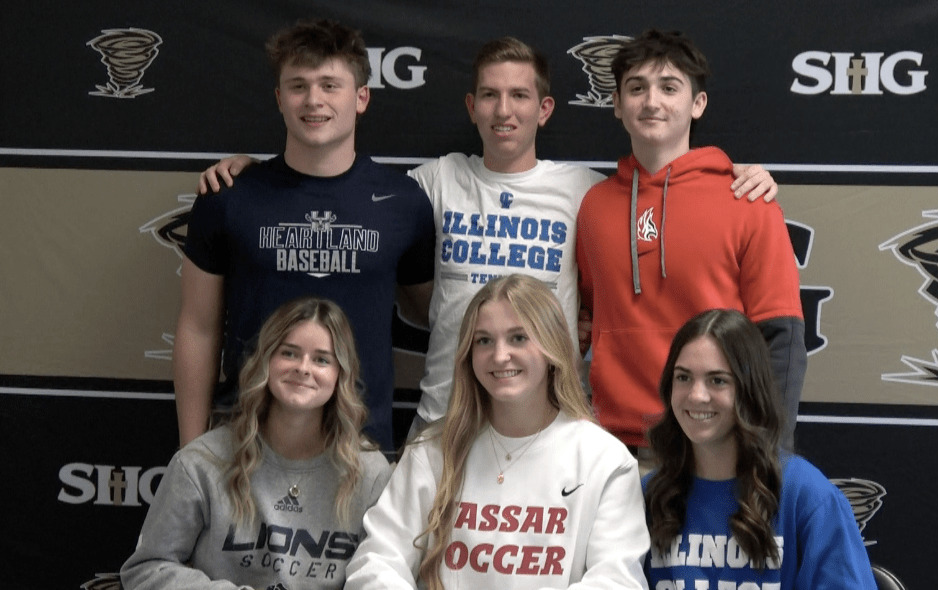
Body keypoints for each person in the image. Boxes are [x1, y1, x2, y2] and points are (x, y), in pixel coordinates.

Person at [198, 36, 778, 438]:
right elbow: (341, 186)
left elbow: (655, 203)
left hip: (551, 422)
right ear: (471, 107)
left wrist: (738, 175)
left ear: (544, 109)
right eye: (491, 96)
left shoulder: (588, 193)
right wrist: (253, 172)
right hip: (443, 419)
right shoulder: (430, 184)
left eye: (520, 96)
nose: (505, 111)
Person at [175, 18, 436, 452]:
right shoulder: (229, 197)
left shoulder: (403, 202)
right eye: (298, 86)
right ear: (280, 99)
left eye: (330, 85)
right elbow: (198, 329)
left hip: (358, 446)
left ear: (361, 97)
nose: (313, 100)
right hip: (246, 443)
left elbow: (432, 312)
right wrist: (191, 452)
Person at [576, 30, 806, 457]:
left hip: (712, 445)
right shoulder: (593, 207)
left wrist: (769, 456)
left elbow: (781, 339)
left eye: (669, 88)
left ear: (697, 104)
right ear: (617, 105)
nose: (651, 101)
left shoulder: (747, 200)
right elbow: (588, 320)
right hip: (610, 447)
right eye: (636, 88)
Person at [343, 274, 649, 590]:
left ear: (552, 347)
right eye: (484, 341)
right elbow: (374, 564)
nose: (500, 356)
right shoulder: (433, 451)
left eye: (518, 338)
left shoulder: (605, 461)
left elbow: (616, 581)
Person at [121, 297, 393, 590]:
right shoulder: (201, 462)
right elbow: (146, 569)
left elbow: (386, 574)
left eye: (321, 359)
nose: (303, 368)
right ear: (265, 360)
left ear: (341, 374)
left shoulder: (370, 473)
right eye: (289, 353)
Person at [644, 308, 875, 589]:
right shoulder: (649, 495)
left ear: (749, 390)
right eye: (683, 377)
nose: (696, 395)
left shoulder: (806, 495)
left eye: (717, 380)